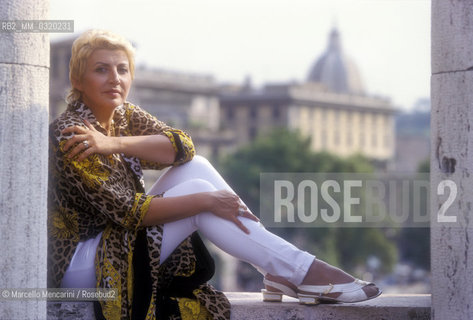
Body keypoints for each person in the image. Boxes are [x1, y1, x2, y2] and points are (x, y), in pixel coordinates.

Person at [48, 29, 381, 320]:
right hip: (81, 267)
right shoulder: (71, 133)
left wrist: (113, 143)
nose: (114, 79)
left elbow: (183, 147)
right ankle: (295, 269)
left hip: (114, 243)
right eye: (101, 70)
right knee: (200, 192)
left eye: (122, 69)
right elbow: (128, 212)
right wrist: (206, 200)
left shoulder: (122, 117)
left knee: (197, 167)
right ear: (78, 79)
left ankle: (277, 268)